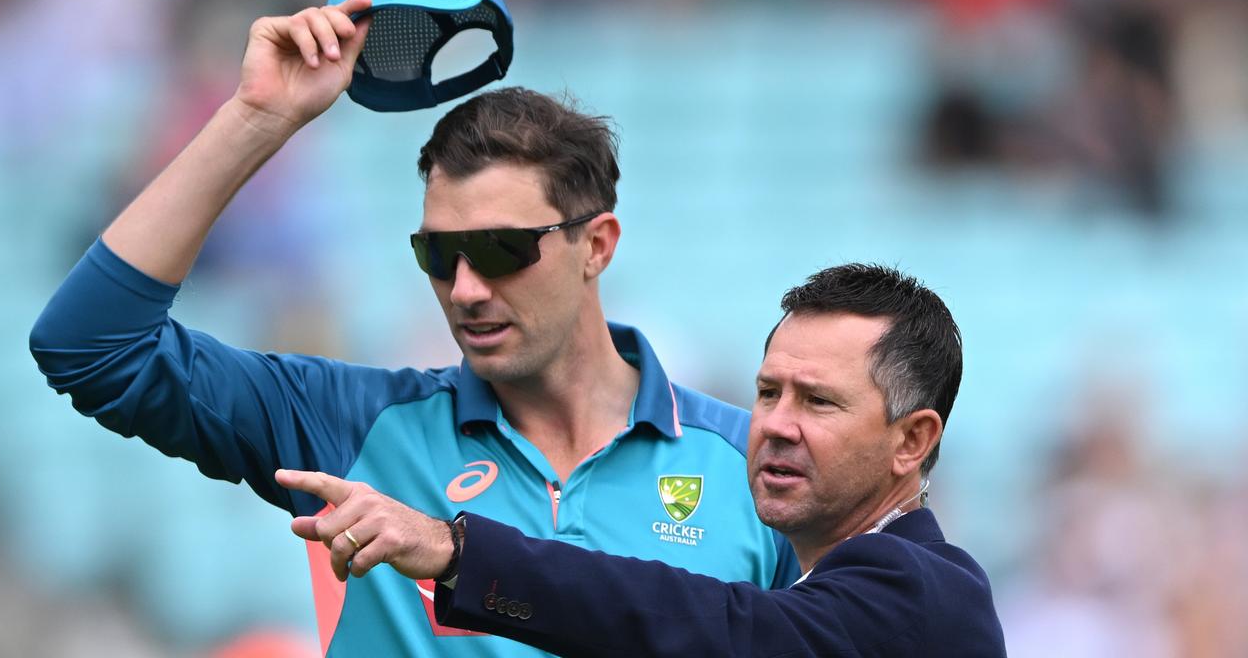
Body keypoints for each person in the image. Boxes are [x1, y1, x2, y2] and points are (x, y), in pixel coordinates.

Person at [28, 0, 796, 657]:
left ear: (596, 246)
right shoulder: (349, 426)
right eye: (438, 255)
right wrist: (257, 119)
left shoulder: (756, 470)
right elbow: (91, 346)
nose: (464, 289)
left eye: (499, 250)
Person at [275, 263, 1008, 657]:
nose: (776, 425)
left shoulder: (918, 588)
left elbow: (713, 628)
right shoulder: (834, 590)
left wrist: (456, 550)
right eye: (767, 392)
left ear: (911, 441)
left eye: (818, 402)